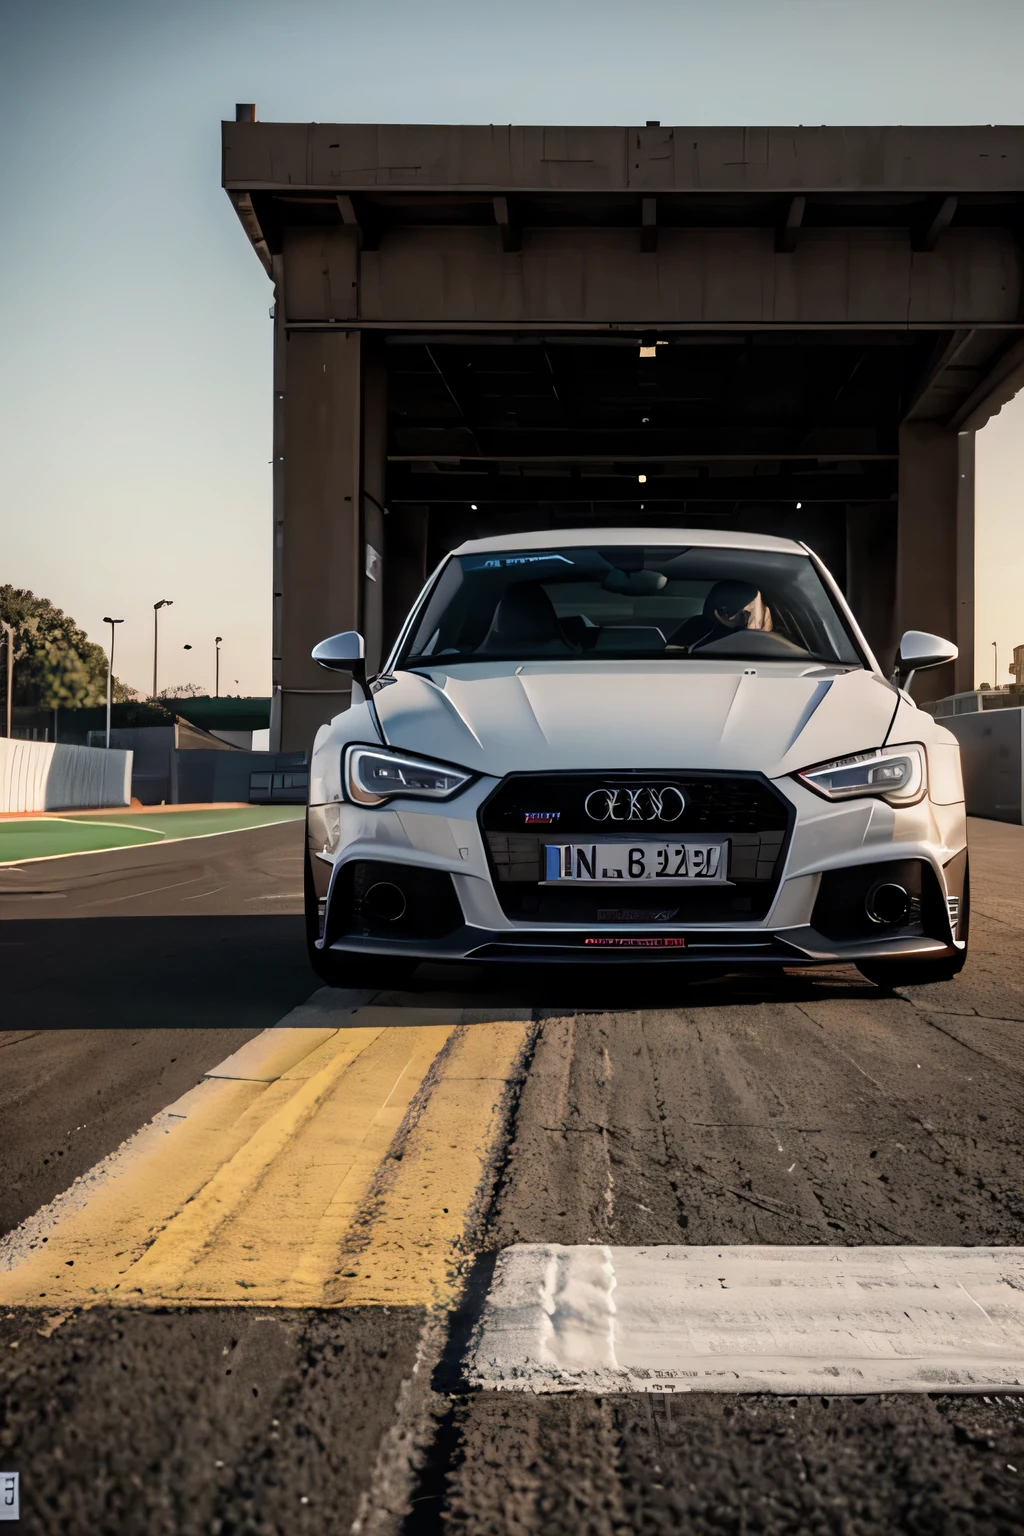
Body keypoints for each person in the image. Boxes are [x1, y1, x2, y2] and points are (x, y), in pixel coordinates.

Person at [671, 580, 774, 650]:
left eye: (750, 610)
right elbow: (672, 656)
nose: (746, 614)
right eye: (743, 609)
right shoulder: (697, 627)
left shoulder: (767, 640)